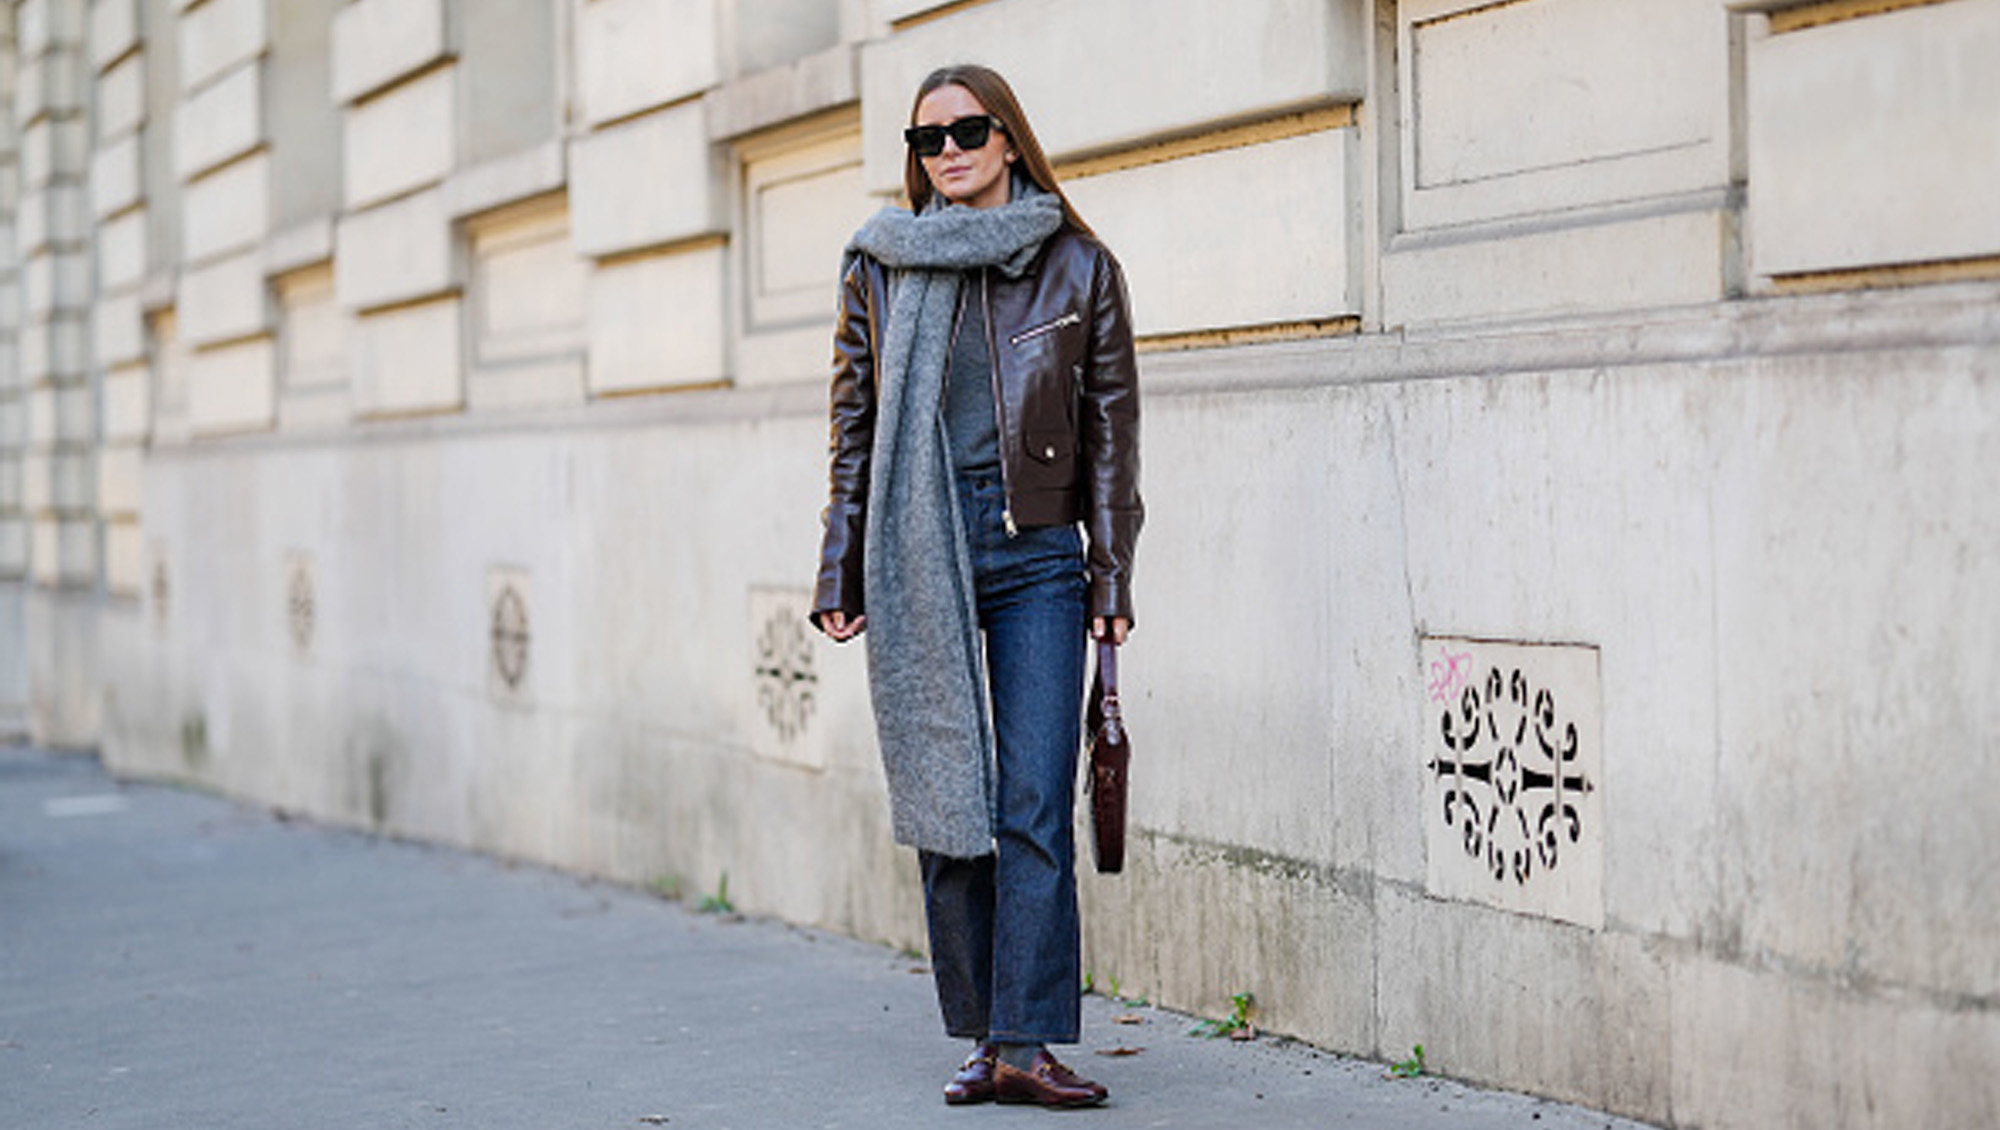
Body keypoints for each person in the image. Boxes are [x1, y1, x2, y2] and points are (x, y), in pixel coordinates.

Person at [809, 63, 1142, 1108]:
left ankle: (1026, 1038)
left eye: (965, 131)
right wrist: (841, 557)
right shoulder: (879, 266)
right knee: (951, 797)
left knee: (1032, 797)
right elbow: (854, 427)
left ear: (1008, 139)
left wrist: (1109, 574)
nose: (945, 151)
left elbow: (1109, 436)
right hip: (923, 557)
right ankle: (985, 1035)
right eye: (926, 140)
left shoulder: (1077, 265)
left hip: (1035, 555)